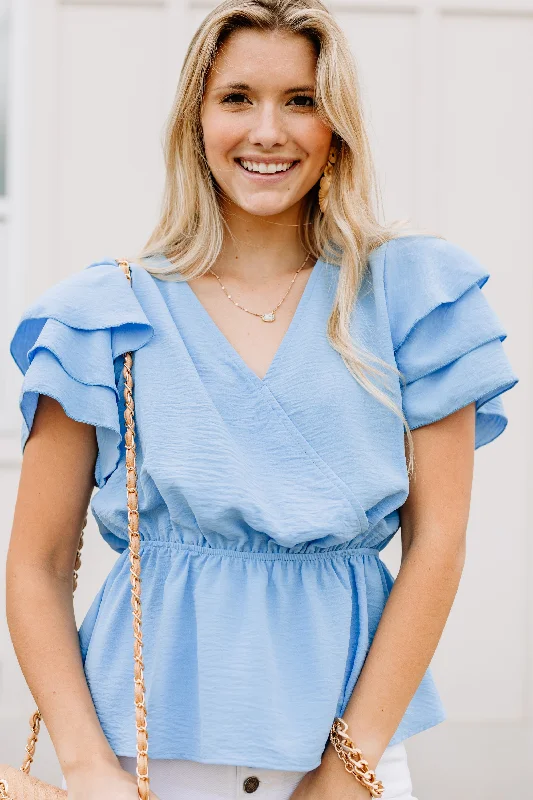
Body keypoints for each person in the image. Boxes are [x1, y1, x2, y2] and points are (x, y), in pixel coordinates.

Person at [6, 1, 518, 798]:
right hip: (141, 759)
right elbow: (38, 566)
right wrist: (85, 767)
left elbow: (437, 544)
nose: (268, 131)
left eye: (301, 100)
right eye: (237, 97)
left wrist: (348, 769)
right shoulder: (104, 313)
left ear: (336, 125)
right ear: (195, 119)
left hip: (347, 753)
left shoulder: (414, 297)